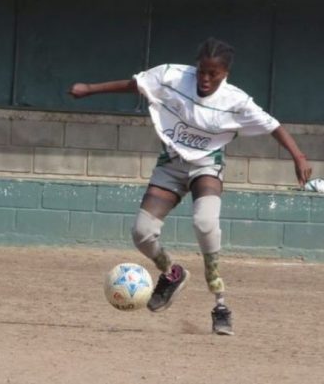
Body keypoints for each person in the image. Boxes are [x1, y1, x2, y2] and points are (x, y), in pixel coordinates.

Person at [69, 37, 312, 336]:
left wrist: (298, 156)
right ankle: (172, 274)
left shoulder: (236, 101)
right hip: (171, 165)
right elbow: (137, 85)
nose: (206, 79)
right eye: (202, 71)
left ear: (225, 74)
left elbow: (273, 125)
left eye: (214, 74)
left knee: (205, 222)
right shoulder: (172, 76)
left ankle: (221, 305)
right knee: (142, 233)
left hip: (206, 165)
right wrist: (90, 89)